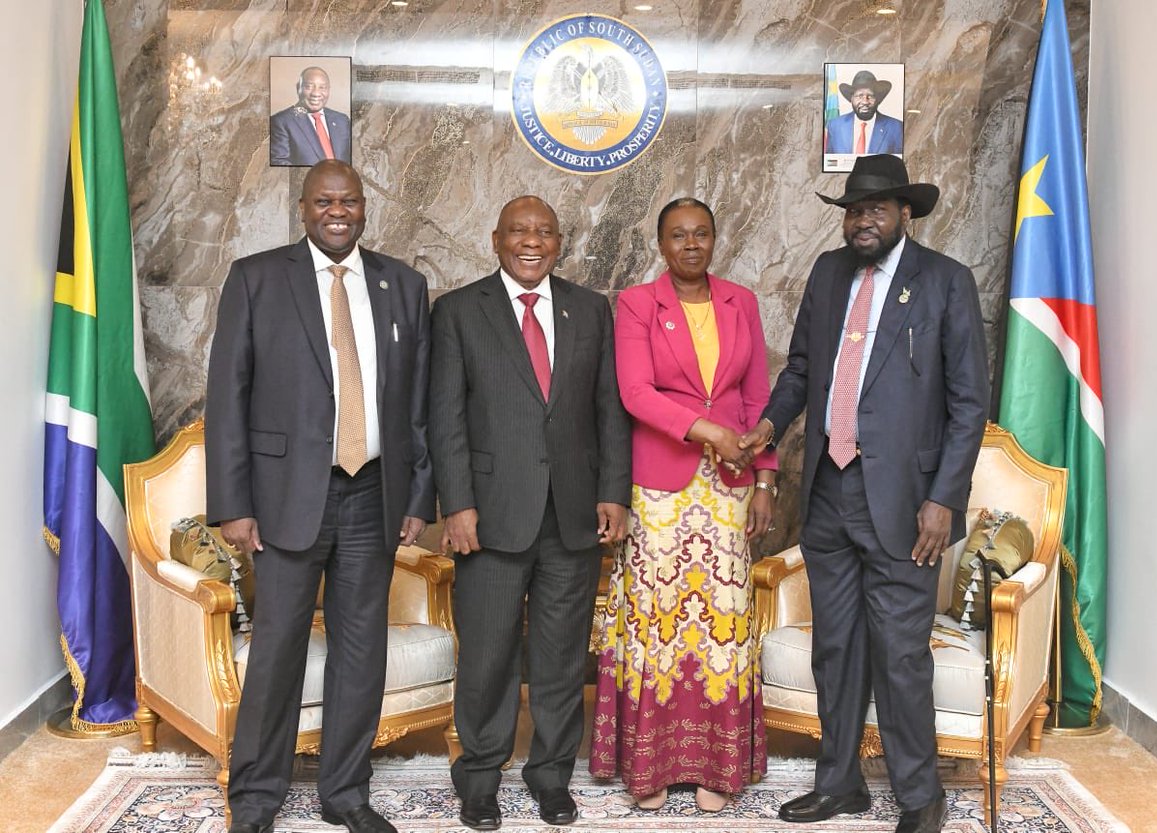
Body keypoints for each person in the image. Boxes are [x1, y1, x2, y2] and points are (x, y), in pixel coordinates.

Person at [740, 154, 989, 833]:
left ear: (905, 212)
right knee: (836, 648)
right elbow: (802, 370)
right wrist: (766, 425)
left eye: (876, 208)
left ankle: (919, 794)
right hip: (829, 495)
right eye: (853, 210)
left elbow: (970, 404)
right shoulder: (827, 274)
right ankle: (839, 783)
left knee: (902, 655)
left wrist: (943, 499)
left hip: (910, 508)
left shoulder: (944, 282)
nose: (862, 221)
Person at [206, 159, 434, 833]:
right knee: (277, 648)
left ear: (366, 207)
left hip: (373, 495)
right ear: (304, 208)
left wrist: (419, 495)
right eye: (324, 201)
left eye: (350, 200)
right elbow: (228, 399)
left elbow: (415, 405)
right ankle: (254, 798)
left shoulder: (404, 284)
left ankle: (345, 793)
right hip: (282, 499)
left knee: (361, 648)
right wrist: (233, 504)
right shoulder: (256, 277)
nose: (338, 211)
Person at [429, 196, 632, 831]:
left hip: (571, 516)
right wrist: (456, 505)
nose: (531, 241)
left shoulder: (590, 308)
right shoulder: (459, 311)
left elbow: (610, 411)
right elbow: (446, 419)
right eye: (519, 230)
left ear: (560, 242)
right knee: (487, 654)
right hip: (488, 518)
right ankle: (481, 778)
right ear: (495, 239)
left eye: (544, 232)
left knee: (561, 658)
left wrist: (614, 492)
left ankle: (551, 777)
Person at [589, 198, 776, 813]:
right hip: (660, 489)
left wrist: (767, 480)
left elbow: (756, 399)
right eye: (677, 235)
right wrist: (707, 431)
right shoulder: (638, 304)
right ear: (661, 244)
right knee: (657, 624)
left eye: (700, 234)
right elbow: (635, 392)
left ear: (715, 240)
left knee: (721, 625)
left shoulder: (740, 302)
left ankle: (715, 770)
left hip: (731, 487)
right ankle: (652, 768)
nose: (690, 244)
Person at [270, 66, 352, 166]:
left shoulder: (342, 120)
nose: (316, 93)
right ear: (298, 88)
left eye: (322, 87)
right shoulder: (281, 122)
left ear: (329, 90)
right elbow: (279, 164)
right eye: (308, 87)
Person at [824, 70, 903, 156]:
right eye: (860, 96)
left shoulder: (896, 128)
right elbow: (830, 164)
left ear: (878, 99)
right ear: (851, 98)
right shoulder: (835, 126)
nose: (865, 102)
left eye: (870, 96)